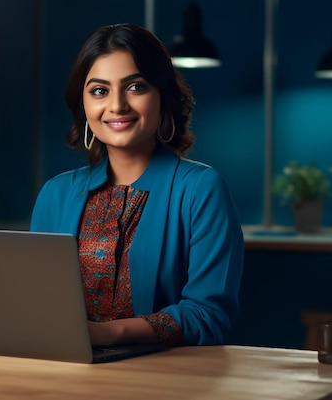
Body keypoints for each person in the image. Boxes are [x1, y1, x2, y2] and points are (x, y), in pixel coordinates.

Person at [30, 23, 243, 347]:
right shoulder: (55, 195)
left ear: (162, 95)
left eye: (135, 87)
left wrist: (108, 333)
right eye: (99, 91)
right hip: (66, 372)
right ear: (83, 105)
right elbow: (39, 306)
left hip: (165, 381)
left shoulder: (201, 189)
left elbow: (207, 315)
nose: (117, 106)